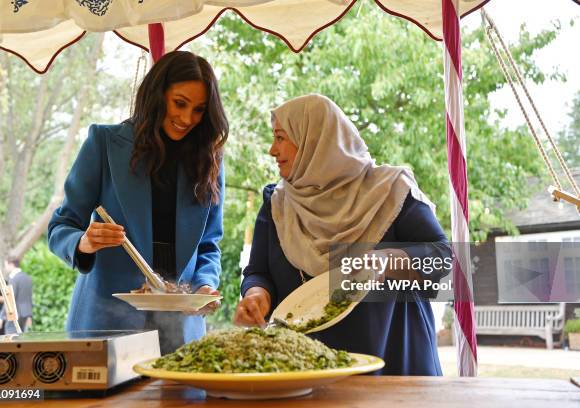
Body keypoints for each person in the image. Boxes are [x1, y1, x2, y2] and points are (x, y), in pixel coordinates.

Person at [234, 94, 450, 375]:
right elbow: (258, 271)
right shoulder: (277, 205)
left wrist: (385, 261)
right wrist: (256, 294)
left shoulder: (390, 191)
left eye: (280, 137)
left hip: (393, 366)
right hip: (306, 372)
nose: (271, 150)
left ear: (316, 140)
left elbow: (446, 262)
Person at [48, 51, 228, 354]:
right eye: (180, 104)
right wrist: (84, 242)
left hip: (181, 330)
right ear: (157, 95)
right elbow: (59, 228)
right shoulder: (104, 143)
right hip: (106, 324)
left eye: (198, 110)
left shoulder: (208, 160)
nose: (187, 119)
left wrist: (204, 286)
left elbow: (209, 244)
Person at [0, 258, 33, 334]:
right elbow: (29, 298)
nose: (6, 268)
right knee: (24, 340)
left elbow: (9, 300)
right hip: (26, 313)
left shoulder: (13, 278)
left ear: (11, 264)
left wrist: (0, 317)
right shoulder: (28, 278)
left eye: (6, 265)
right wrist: (29, 315)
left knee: (11, 339)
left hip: (15, 314)